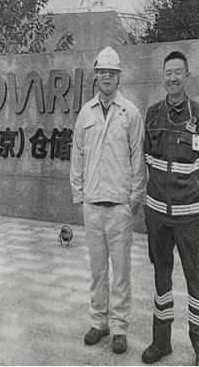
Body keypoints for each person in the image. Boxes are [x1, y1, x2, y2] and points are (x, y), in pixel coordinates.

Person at [70, 46, 146, 355]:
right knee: (98, 271)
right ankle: (98, 322)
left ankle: (119, 328)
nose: (106, 77)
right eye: (102, 72)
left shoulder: (130, 112)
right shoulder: (86, 113)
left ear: (119, 77)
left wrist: (135, 197)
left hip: (119, 206)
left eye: (112, 73)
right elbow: (77, 155)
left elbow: (138, 156)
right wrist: (79, 193)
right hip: (92, 205)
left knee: (121, 272)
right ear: (96, 75)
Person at [141, 51, 199, 367]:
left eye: (178, 72)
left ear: (187, 76)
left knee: (196, 279)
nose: (172, 78)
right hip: (157, 214)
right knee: (161, 279)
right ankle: (161, 343)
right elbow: (148, 159)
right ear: (163, 76)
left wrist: (188, 194)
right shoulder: (153, 114)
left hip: (189, 216)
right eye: (168, 73)